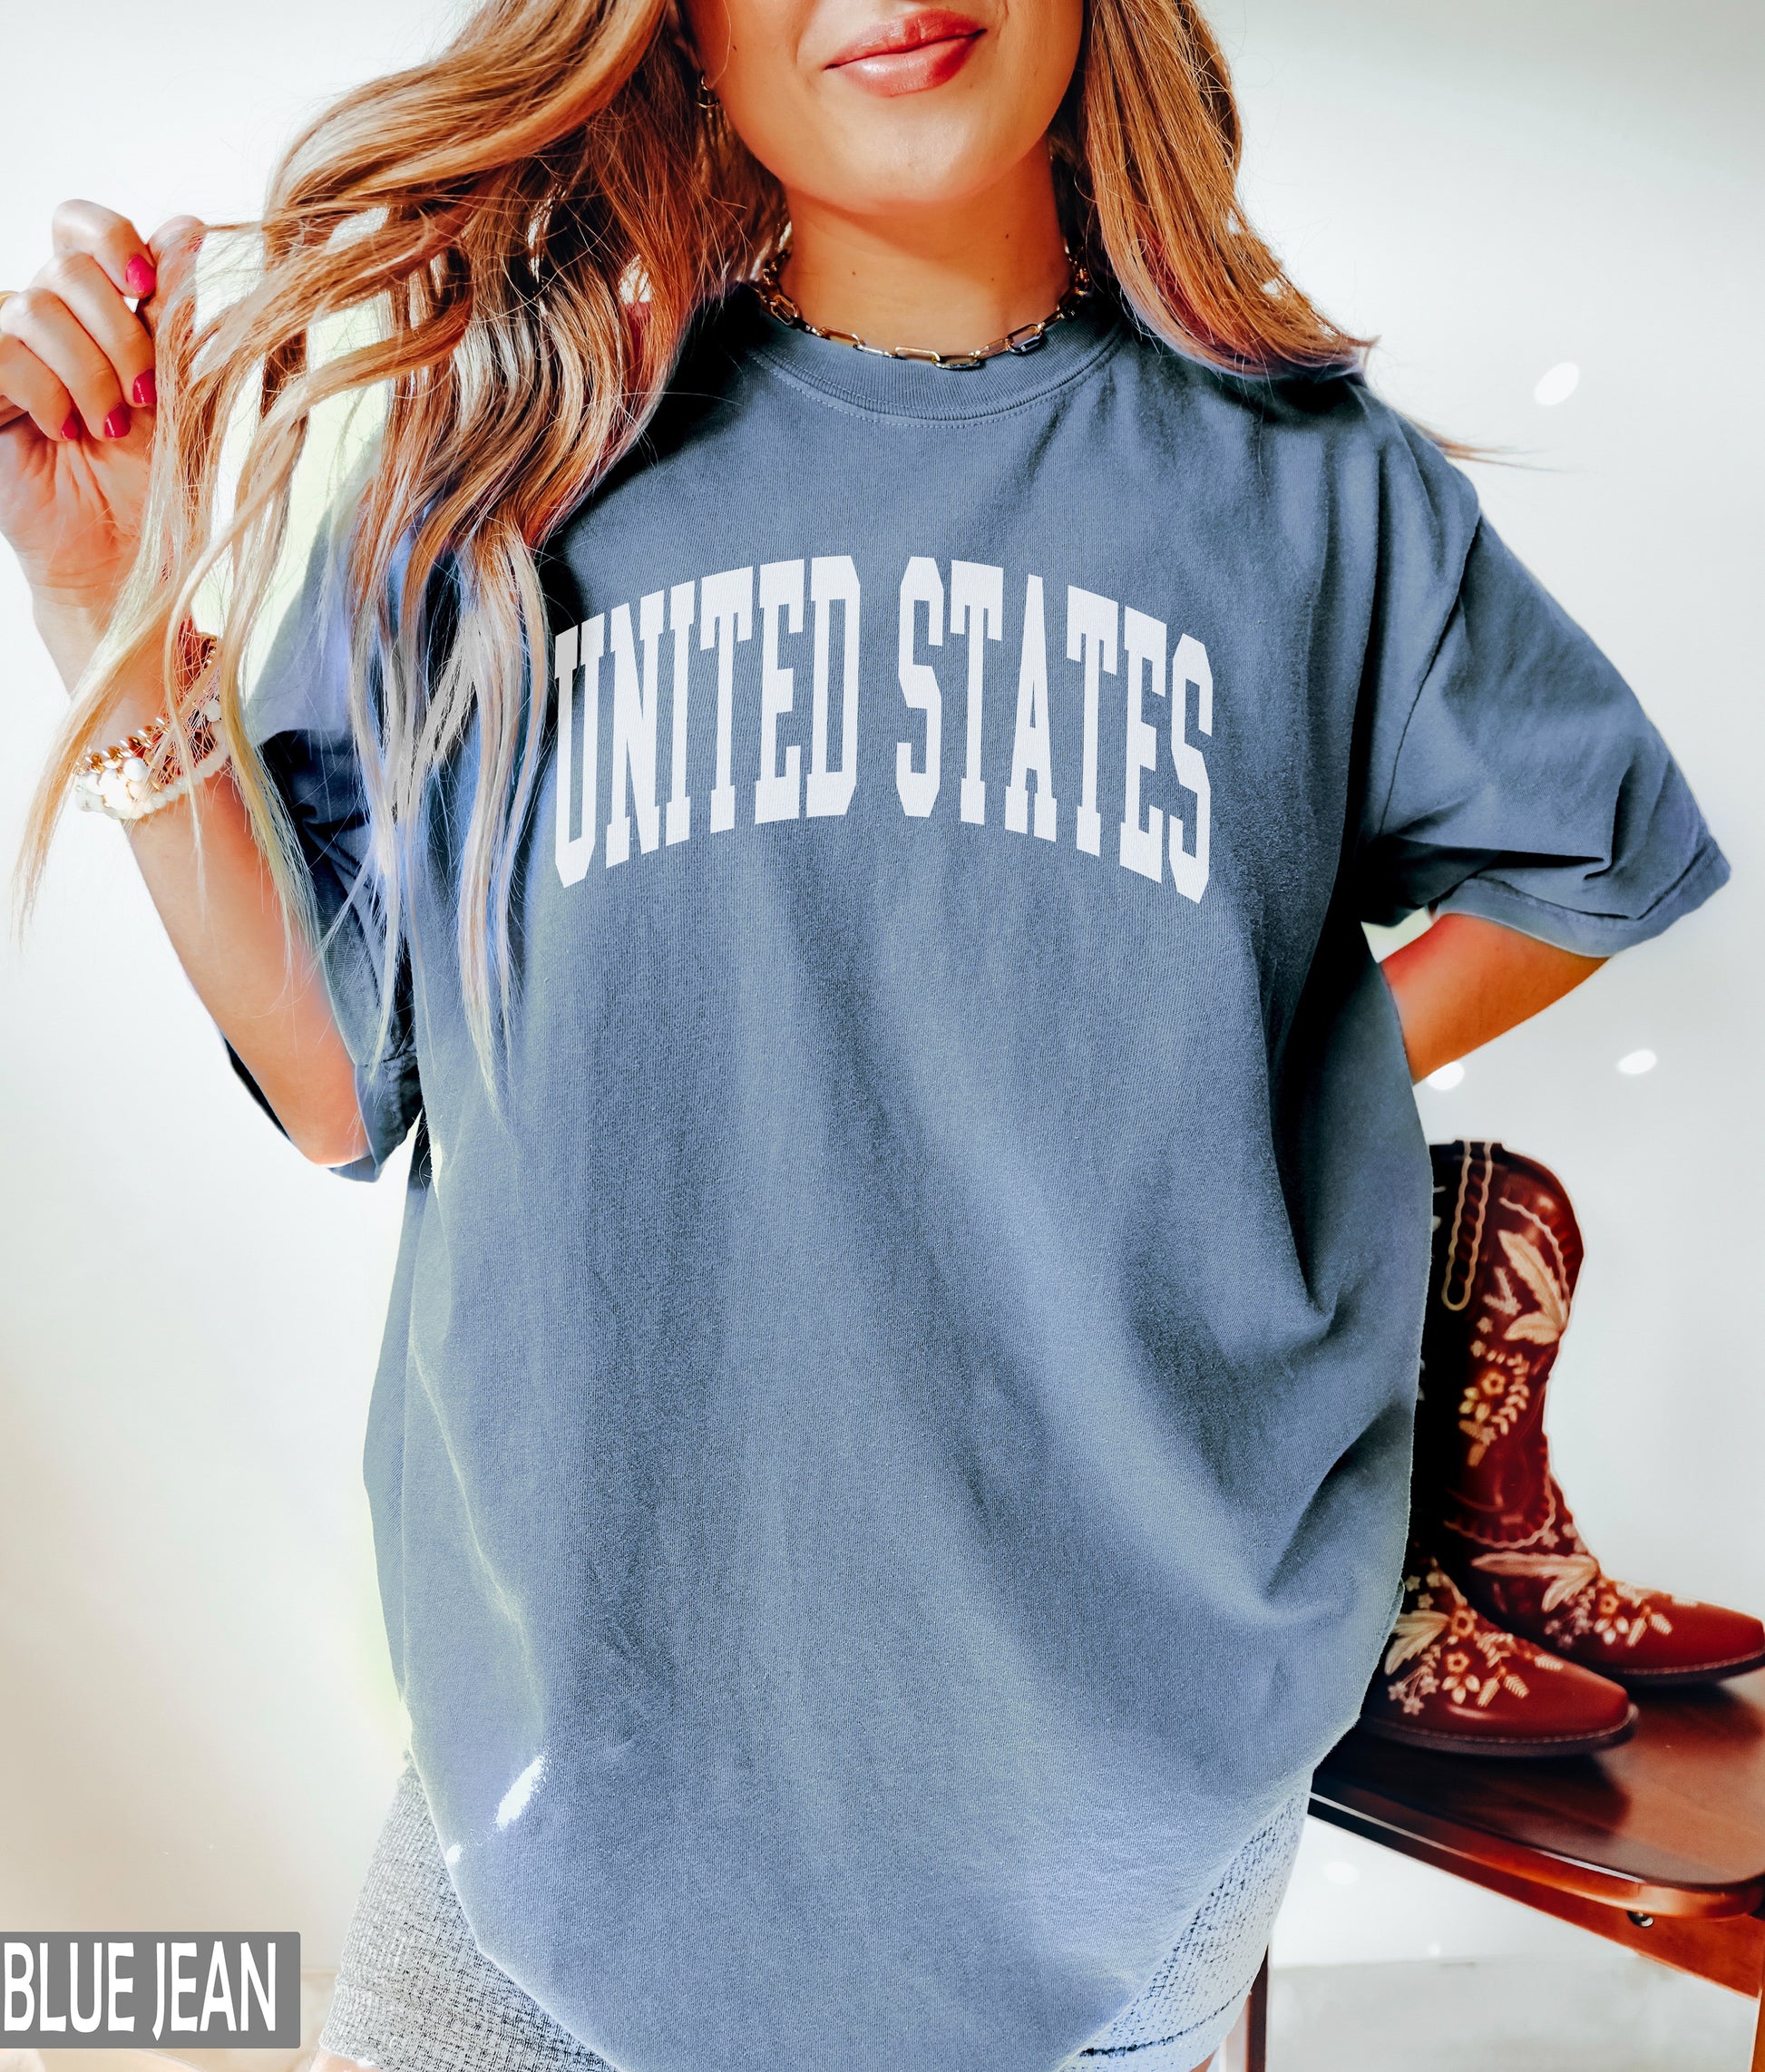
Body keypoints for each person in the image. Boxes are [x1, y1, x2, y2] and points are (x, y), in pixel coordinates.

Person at [0, 0, 1728, 2062]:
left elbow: (1590, 854)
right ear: (679, 36)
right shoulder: (505, 472)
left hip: (1115, 1816)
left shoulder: (1302, 488)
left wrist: (1263, 1056)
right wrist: (113, 620)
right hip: (552, 1813)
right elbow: (333, 1081)